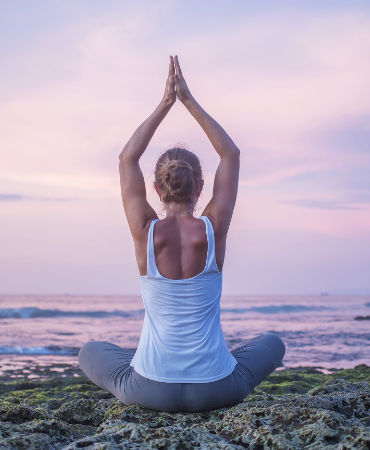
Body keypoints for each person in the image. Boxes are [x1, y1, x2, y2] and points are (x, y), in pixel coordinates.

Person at [78, 55, 285, 412]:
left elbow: (127, 158)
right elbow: (230, 154)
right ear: (201, 187)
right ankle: (209, 365)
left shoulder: (145, 232)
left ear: (156, 190)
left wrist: (165, 103)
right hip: (217, 390)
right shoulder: (213, 229)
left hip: (148, 390)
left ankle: (154, 364)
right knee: (273, 343)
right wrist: (188, 100)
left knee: (88, 352)